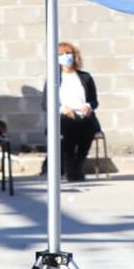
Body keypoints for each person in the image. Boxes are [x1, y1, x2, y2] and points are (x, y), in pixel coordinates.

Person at [56, 41, 100, 181]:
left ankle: (78, 164)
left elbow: (94, 100)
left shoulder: (85, 77)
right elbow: (47, 103)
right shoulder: (54, 78)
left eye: (68, 53)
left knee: (88, 128)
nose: (66, 56)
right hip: (65, 115)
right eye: (61, 54)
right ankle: (71, 167)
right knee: (69, 130)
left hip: (84, 115)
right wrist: (63, 109)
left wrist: (88, 106)